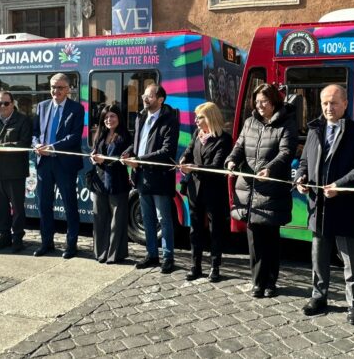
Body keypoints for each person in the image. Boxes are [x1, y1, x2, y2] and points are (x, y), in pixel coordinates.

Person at [294, 84, 354, 325]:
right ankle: (319, 297)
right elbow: (305, 161)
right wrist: (300, 178)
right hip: (318, 206)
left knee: (350, 259)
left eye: (334, 102)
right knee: (318, 256)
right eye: (325, 103)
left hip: (345, 206)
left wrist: (340, 184)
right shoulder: (314, 130)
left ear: (345, 104)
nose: (329, 107)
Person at [225, 83, 298, 298]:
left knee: (271, 239)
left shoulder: (286, 123)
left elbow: (286, 152)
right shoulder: (249, 122)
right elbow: (238, 147)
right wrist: (231, 161)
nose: (259, 106)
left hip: (271, 188)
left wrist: (269, 168)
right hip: (248, 188)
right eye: (256, 102)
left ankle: (271, 282)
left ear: (274, 102)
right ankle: (258, 282)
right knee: (254, 240)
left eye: (263, 102)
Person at [121, 83, 180, 273]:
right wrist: (128, 154)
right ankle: (152, 255)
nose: (144, 99)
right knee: (147, 218)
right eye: (144, 95)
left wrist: (139, 160)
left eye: (149, 96)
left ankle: (168, 257)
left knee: (164, 219)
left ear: (160, 99)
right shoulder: (140, 117)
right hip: (141, 177)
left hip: (160, 178)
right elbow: (137, 143)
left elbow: (166, 151)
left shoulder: (169, 119)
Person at [32, 73, 85, 259]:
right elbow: (35, 132)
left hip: (64, 164)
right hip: (44, 163)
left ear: (68, 89)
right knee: (44, 205)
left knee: (70, 205)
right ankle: (46, 243)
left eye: (60, 87)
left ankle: (71, 245)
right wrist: (37, 144)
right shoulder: (42, 106)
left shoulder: (77, 109)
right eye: (53, 87)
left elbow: (74, 137)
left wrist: (53, 147)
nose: (56, 91)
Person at [179, 102, 233, 282]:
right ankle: (195, 266)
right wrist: (183, 160)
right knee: (195, 230)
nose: (195, 121)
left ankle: (215, 266)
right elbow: (188, 152)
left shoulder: (224, 139)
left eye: (199, 117)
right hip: (194, 189)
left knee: (215, 230)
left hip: (213, 191)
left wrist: (193, 168)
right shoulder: (197, 134)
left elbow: (216, 166)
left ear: (210, 117)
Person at [0, 90, 32, 253]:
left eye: (6, 103)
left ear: (13, 104)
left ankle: (18, 238)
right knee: (1, 208)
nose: (2, 106)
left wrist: (0, 147)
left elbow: (25, 143)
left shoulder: (23, 121)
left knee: (17, 208)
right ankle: (4, 236)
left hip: (15, 172)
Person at [89, 102, 131, 264]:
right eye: (106, 117)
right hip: (99, 182)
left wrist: (104, 160)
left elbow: (124, 156)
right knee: (99, 219)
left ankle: (115, 254)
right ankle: (101, 252)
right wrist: (94, 157)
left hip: (117, 183)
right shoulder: (99, 135)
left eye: (112, 116)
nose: (109, 119)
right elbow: (96, 154)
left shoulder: (125, 136)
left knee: (117, 221)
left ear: (118, 117)